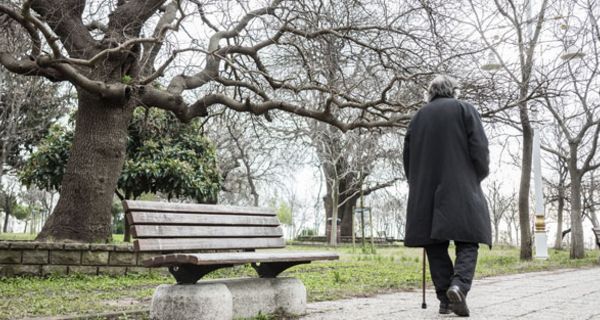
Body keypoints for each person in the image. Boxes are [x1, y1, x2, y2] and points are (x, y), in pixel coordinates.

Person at [402, 75, 492, 317]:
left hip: (426, 189)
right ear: (454, 91)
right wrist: (476, 176)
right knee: (468, 241)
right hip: (461, 185)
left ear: (430, 93)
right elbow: (480, 150)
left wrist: (417, 183)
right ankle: (458, 287)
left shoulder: (418, 118)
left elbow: (407, 158)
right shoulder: (465, 110)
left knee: (435, 245)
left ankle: (445, 300)